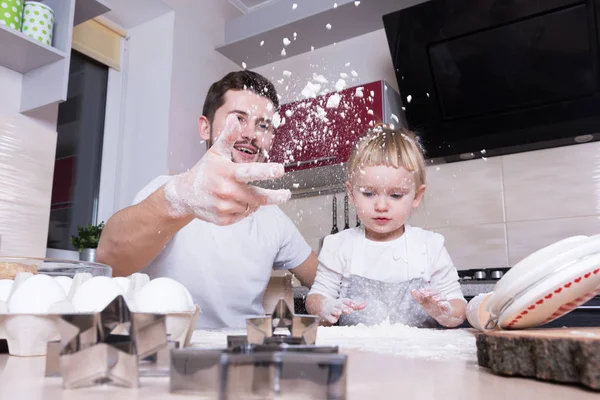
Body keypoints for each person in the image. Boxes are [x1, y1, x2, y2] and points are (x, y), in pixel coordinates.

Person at [97, 71, 318, 329]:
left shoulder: (271, 217)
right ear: (205, 127)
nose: (251, 134)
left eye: (263, 125)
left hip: (243, 357)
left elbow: (322, 278)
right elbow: (109, 261)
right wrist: (180, 199)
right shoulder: (165, 191)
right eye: (239, 119)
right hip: (169, 353)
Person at [305, 124, 466, 328]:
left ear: (416, 196)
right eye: (369, 193)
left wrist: (446, 312)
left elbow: (458, 306)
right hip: (358, 356)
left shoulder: (429, 246)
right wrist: (326, 307)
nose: (381, 206)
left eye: (396, 195)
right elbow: (316, 297)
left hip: (419, 357)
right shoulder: (339, 246)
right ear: (351, 193)